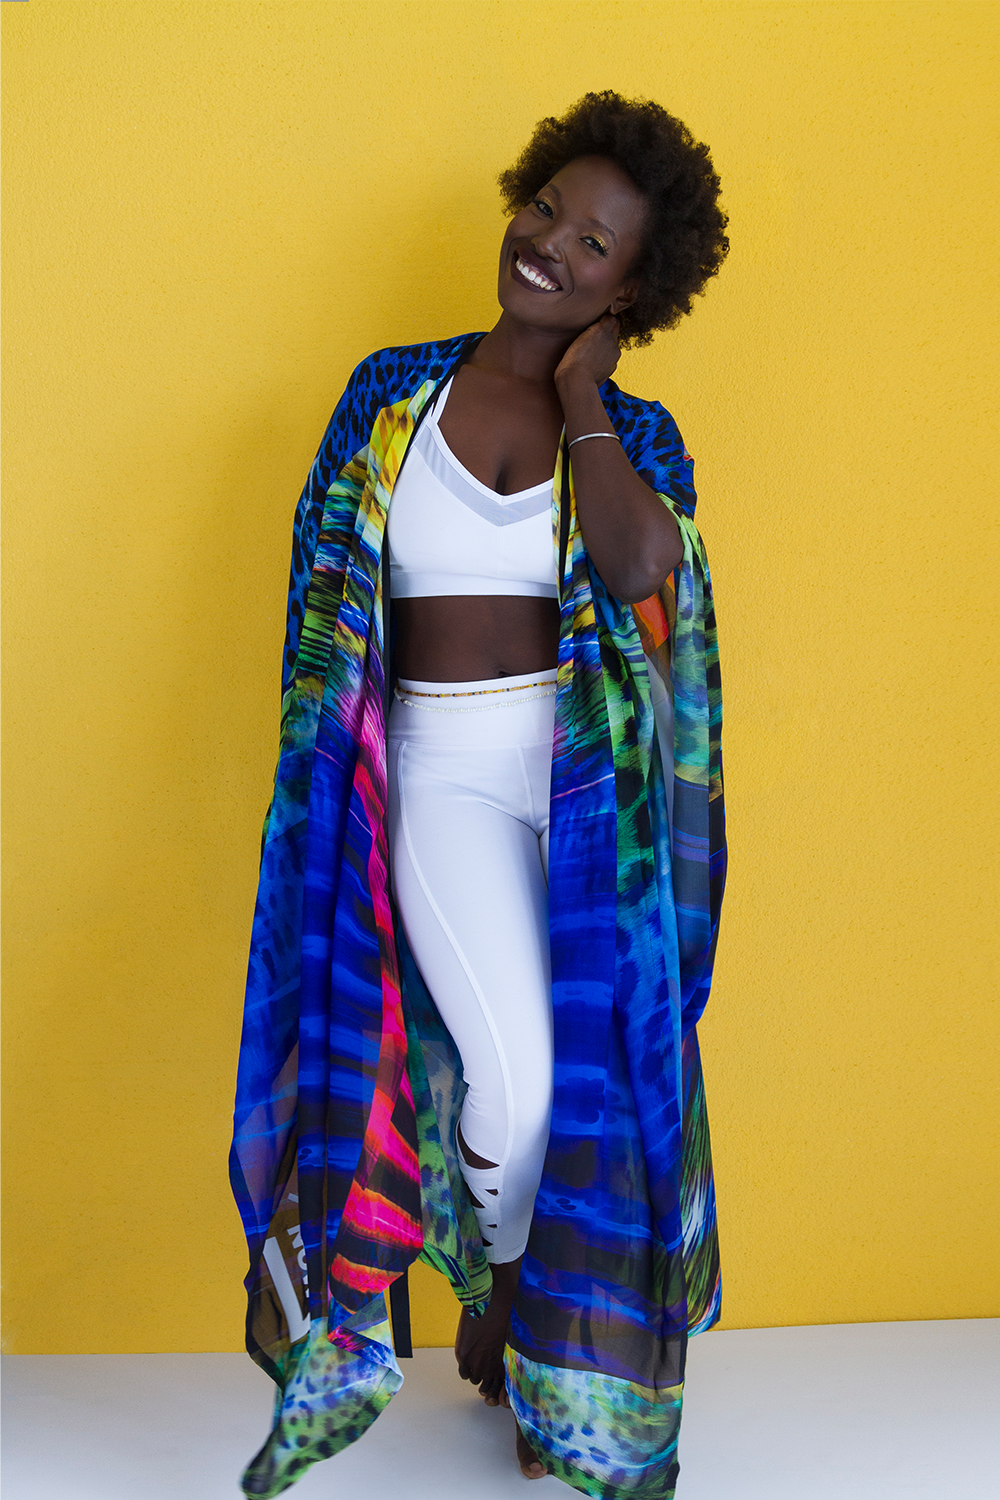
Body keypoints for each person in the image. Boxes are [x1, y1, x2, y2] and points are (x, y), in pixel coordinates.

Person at [231, 91, 728, 1500]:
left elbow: (645, 583)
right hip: (440, 770)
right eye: (547, 211)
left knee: (588, 1088)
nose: (550, 249)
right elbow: (323, 620)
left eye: (594, 245)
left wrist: (581, 400)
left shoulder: (633, 433)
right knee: (506, 1090)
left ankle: (524, 1317)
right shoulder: (392, 395)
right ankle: (500, 1286)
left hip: (583, 804)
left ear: (636, 286)